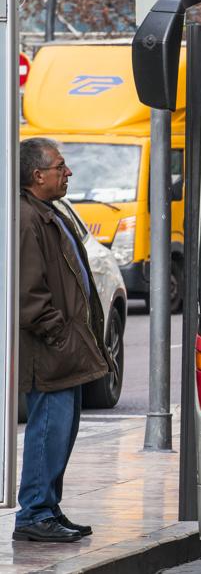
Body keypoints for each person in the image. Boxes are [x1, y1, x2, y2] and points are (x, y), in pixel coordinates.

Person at [15, 138, 111, 542]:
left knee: (62, 431)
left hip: (63, 347)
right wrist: (58, 334)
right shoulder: (26, 217)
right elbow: (28, 295)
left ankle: (48, 507)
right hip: (50, 350)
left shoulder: (48, 212)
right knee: (48, 429)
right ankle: (34, 513)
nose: (67, 172)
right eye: (60, 166)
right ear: (38, 175)